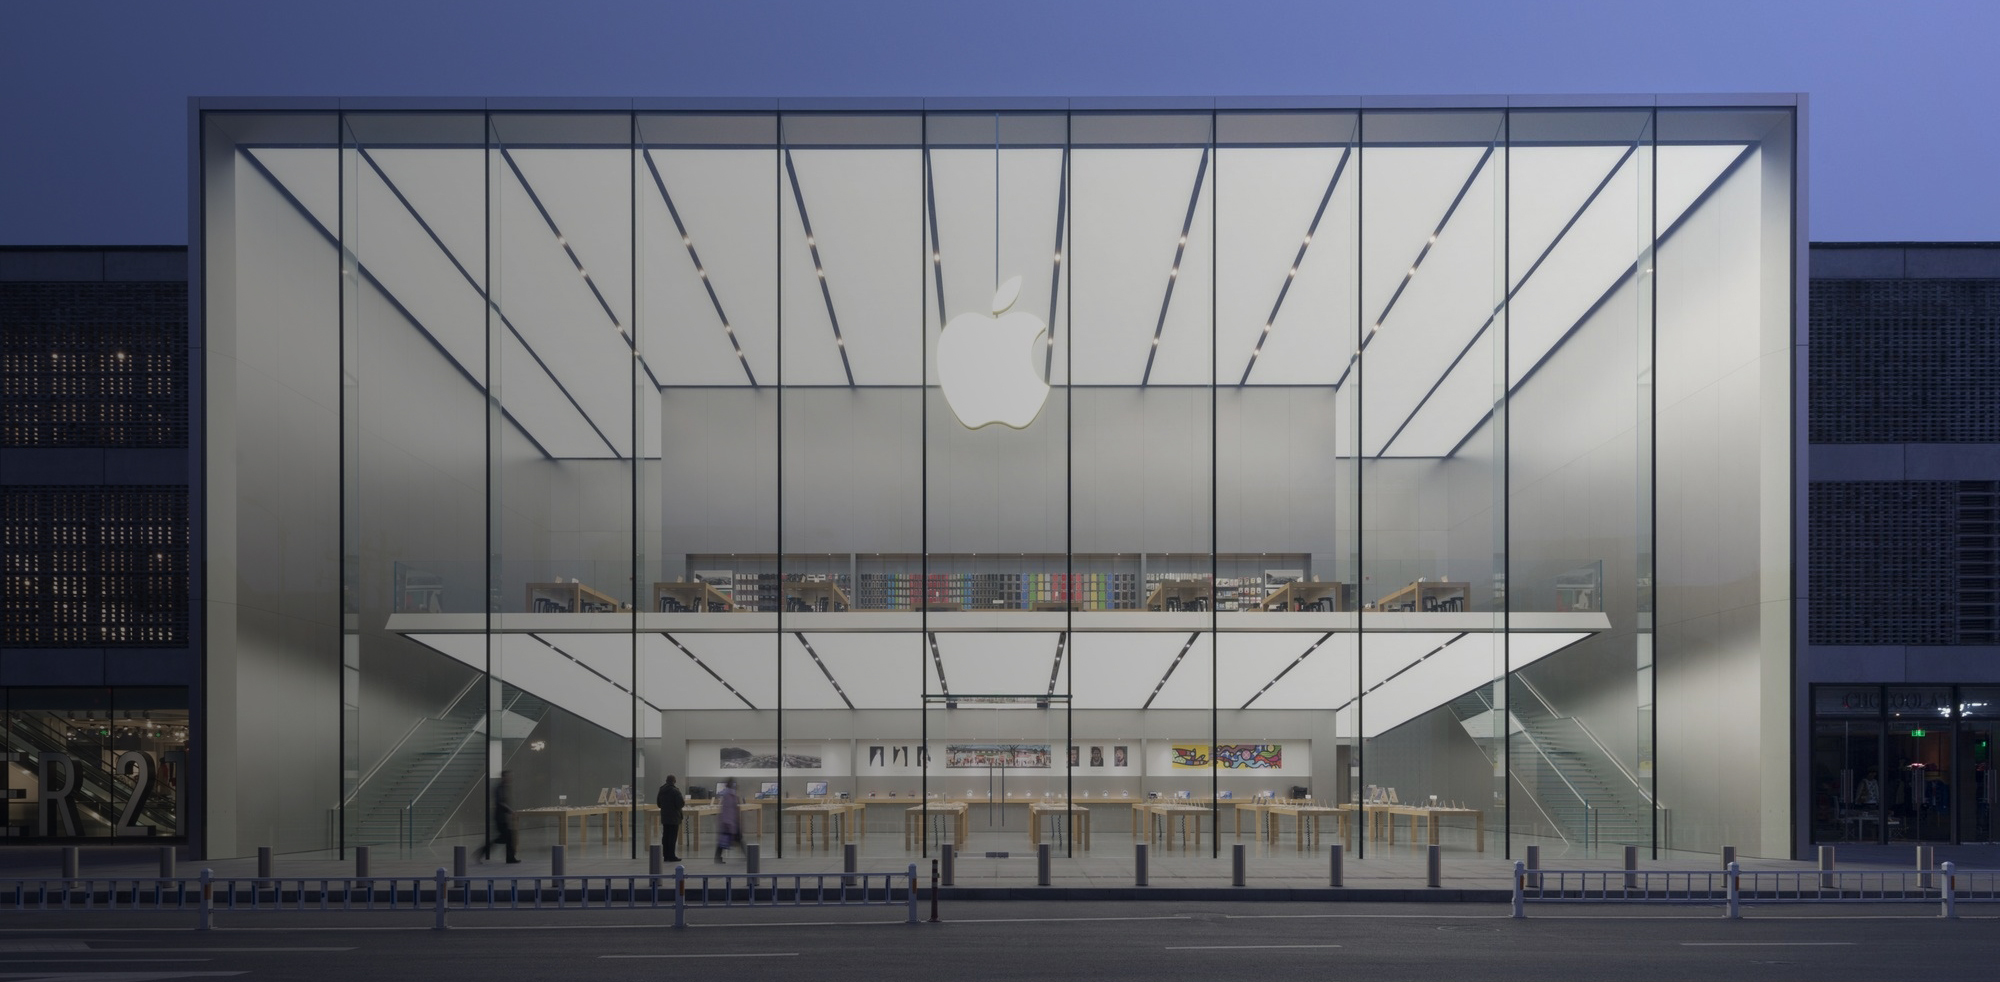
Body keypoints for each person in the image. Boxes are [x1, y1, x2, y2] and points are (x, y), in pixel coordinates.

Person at [481, 770, 519, 863]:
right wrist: (509, 810)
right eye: (508, 776)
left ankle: (510, 858)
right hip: (500, 818)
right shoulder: (499, 788)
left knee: (508, 837)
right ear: (503, 777)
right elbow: (500, 802)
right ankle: (482, 851)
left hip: (504, 817)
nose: (510, 778)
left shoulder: (505, 787)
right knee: (504, 838)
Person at [655, 774, 685, 863]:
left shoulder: (661, 790)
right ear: (674, 781)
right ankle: (671, 856)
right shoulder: (675, 791)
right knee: (672, 837)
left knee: (666, 836)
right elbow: (680, 804)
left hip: (665, 817)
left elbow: (658, 804)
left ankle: (666, 855)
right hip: (674, 817)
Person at [715, 777, 742, 863]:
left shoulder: (728, 794)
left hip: (728, 821)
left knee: (724, 840)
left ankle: (717, 857)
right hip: (729, 821)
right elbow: (729, 810)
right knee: (730, 840)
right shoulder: (729, 795)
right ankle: (748, 857)